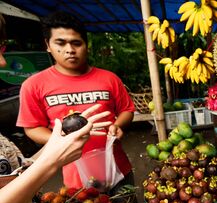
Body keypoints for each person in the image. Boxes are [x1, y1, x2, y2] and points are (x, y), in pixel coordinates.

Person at [16, 11, 135, 193]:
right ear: (48, 45)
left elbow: (127, 110)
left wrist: (118, 125)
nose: (70, 50)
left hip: (117, 168)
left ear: (86, 45)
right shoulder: (33, 85)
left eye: (76, 43)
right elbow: (32, 128)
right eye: (60, 43)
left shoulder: (109, 79)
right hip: (76, 176)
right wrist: (62, 140)